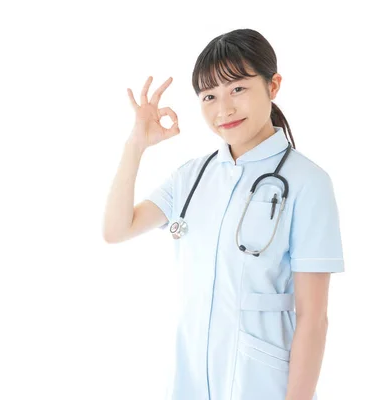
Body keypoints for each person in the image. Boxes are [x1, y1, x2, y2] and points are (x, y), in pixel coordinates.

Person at [102, 28, 344, 400]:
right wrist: (136, 144)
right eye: (209, 96)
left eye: (238, 89)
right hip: (190, 380)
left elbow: (313, 319)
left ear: (273, 85)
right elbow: (116, 230)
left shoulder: (308, 183)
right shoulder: (193, 176)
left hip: (262, 383)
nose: (224, 109)